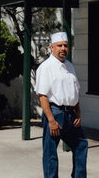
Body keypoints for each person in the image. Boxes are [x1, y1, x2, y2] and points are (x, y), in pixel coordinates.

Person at [36, 31, 88, 178]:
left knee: (81, 145)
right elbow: (43, 96)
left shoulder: (69, 66)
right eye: (59, 45)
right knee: (50, 152)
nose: (63, 48)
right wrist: (51, 120)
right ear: (51, 47)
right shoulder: (46, 67)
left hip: (71, 115)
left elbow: (75, 92)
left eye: (65, 45)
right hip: (55, 113)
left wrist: (78, 113)